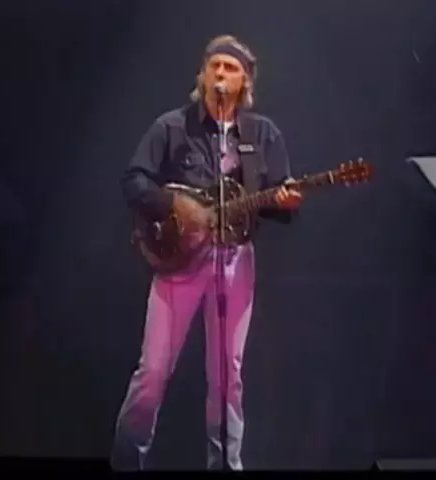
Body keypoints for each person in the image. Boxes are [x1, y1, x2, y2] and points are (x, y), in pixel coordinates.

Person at [111, 34, 303, 471]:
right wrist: (177, 207)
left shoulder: (262, 134)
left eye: (230, 68)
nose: (220, 74)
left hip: (234, 262)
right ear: (202, 74)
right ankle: (126, 462)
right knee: (153, 372)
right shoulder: (172, 127)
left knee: (227, 376)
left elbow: (275, 201)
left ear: (245, 81)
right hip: (179, 266)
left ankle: (225, 465)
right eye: (214, 65)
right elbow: (134, 181)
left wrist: (285, 202)